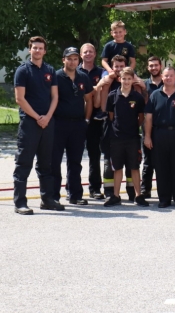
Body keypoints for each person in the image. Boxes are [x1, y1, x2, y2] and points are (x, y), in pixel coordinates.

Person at [13, 36, 60, 214]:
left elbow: (55, 97)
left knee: (46, 164)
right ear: (30, 49)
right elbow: (20, 99)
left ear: (45, 51)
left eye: (41, 48)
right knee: (24, 163)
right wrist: (38, 118)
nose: (38, 50)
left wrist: (47, 117)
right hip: (29, 123)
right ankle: (20, 203)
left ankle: (47, 199)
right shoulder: (23, 71)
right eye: (35, 48)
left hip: (48, 122)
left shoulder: (50, 70)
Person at [144, 66, 175, 208]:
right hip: (159, 134)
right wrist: (147, 136)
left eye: (171, 75)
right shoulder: (155, 95)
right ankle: (164, 198)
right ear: (162, 77)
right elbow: (148, 118)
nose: (168, 78)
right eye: (166, 76)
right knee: (161, 167)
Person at [51, 47, 93, 206]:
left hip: (78, 124)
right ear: (63, 60)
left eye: (75, 59)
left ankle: (75, 194)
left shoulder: (83, 77)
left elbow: (89, 99)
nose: (72, 61)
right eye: (69, 58)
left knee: (75, 161)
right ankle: (53, 195)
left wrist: (86, 120)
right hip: (58, 123)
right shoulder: (56, 76)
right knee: (54, 161)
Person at [105, 67, 147, 207]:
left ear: (133, 80)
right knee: (117, 168)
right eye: (124, 79)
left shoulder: (138, 97)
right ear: (119, 79)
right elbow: (111, 116)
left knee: (134, 167)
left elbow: (141, 117)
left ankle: (138, 195)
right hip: (116, 137)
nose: (127, 81)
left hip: (133, 138)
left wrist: (133, 127)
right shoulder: (112, 96)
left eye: (129, 79)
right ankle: (116, 196)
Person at [78, 43, 105, 200]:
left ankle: (95, 188)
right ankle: (72, 187)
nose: (88, 54)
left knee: (94, 155)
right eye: (85, 52)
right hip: (75, 119)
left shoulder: (101, 73)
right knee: (75, 156)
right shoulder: (74, 71)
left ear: (95, 54)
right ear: (81, 55)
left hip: (95, 119)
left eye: (91, 51)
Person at [140, 55, 163, 197]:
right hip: (148, 128)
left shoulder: (168, 83)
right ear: (148, 68)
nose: (154, 68)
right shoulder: (143, 85)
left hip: (163, 129)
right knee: (148, 162)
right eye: (151, 65)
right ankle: (145, 189)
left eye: (156, 65)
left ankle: (164, 190)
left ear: (160, 66)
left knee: (163, 162)